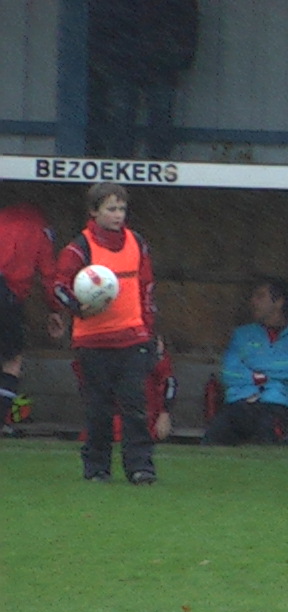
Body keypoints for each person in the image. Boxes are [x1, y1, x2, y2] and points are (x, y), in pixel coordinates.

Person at [53, 182, 161, 484]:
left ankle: (140, 467)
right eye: (111, 209)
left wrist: (149, 329)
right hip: (93, 341)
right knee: (98, 409)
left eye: (122, 209)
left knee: (135, 407)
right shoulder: (80, 247)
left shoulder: (137, 243)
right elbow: (59, 286)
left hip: (132, 338)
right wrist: (79, 308)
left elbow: (147, 288)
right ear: (94, 211)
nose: (118, 215)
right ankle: (97, 467)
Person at [86, 0, 198, 159]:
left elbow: (187, 21)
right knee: (126, 116)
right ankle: (131, 162)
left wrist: (178, 55)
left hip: (153, 62)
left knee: (151, 116)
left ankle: (151, 163)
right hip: (130, 62)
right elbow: (101, 21)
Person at [204, 278, 288, 445]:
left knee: (267, 430)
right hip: (242, 401)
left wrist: (252, 366)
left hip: (280, 404)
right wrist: (263, 377)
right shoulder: (242, 334)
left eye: (260, 296)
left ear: (279, 302)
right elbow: (229, 372)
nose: (253, 301)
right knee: (217, 432)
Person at [0, 203, 57, 435]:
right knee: (12, 360)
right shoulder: (40, 229)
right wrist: (54, 308)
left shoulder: (3, 220)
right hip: (8, 295)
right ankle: (1, 420)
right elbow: (48, 273)